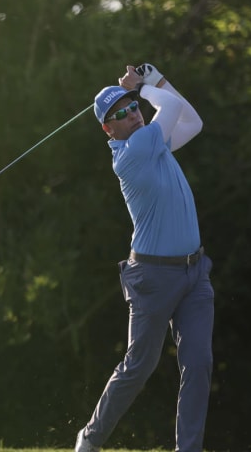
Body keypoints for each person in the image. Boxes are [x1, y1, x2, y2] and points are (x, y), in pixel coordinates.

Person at [74, 63, 215, 452]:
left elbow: (193, 122)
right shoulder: (134, 152)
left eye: (132, 107)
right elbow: (168, 108)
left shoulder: (154, 143)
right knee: (139, 367)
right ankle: (90, 438)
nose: (131, 114)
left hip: (194, 274)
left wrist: (154, 81)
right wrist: (141, 86)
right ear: (109, 129)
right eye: (119, 114)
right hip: (153, 278)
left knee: (199, 364)